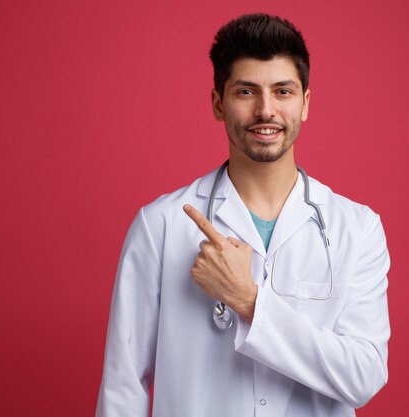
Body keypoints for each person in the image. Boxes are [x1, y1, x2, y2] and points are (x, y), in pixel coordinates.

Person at [96, 13, 390, 417]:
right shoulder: (161, 226)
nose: (265, 110)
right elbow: (123, 386)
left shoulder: (357, 229)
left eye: (283, 91)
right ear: (218, 104)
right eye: (247, 91)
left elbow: (363, 377)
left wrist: (249, 301)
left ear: (305, 104)